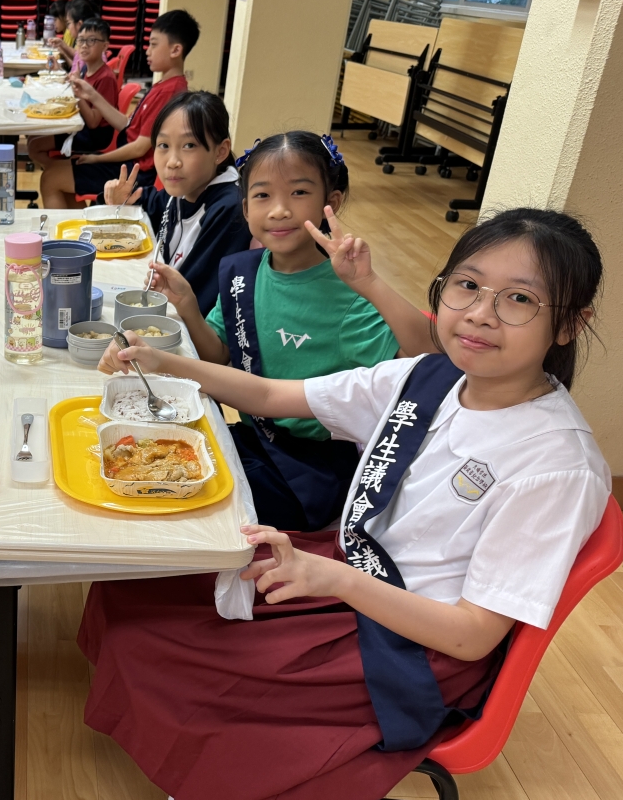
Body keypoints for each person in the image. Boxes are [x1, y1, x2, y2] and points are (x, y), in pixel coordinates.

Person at [88, 208, 610, 800]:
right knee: (139, 588)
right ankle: (188, 755)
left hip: (411, 646)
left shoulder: (556, 464)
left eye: (519, 300)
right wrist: (165, 363)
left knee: (181, 653)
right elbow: (273, 394)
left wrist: (333, 579)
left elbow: (473, 636)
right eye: (468, 286)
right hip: (348, 570)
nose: (480, 314)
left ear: (568, 324)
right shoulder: (429, 377)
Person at [113, 131, 436, 532]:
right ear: (246, 208)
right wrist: (188, 306)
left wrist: (369, 283)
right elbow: (218, 355)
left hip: (312, 468)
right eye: (263, 196)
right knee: (148, 458)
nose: (280, 210)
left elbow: (429, 356)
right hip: (255, 440)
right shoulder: (242, 272)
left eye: (299, 192)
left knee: (180, 501)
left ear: (331, 203)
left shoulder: (347, 295)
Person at [100, 90, 250, 315]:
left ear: (220, 152)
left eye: (189, 145)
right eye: (163, 145)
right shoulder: (186, 189)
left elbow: (197, 297)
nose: (172, 162)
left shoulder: (229, 209)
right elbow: (151, 203)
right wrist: (123, 200)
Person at [40, 9, 198, 208]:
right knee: (56, 175)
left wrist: (97, 159)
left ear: (175, 50)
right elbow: (127, 124)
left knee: (51, 178)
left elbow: (140, 147)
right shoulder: (164, 85)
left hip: (135, 173)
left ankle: (73, 228)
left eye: (153, 44)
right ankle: (81, 225)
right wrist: (91, 94)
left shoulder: (170, 91)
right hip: (129, 163)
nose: (147, 51)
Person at [27, 18, 119, 169]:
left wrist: (76, 93)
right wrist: (59, 71)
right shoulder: (86, 68)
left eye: (91, 41)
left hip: (95, 136)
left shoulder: (105, 78)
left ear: (105, 46)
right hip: (80, 124)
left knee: (35, 146)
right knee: (33, 137)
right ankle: (59, 173)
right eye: (81, 40)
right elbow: (76, 86)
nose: (84, 45)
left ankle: (60, 173)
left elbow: (93, 122)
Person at [58, 0, 97, 72]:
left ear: (79, 24)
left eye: (68, 23)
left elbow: (76, 77)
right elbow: (74, 73)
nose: (68, 28)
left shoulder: (87, 48)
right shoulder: (85, 43)